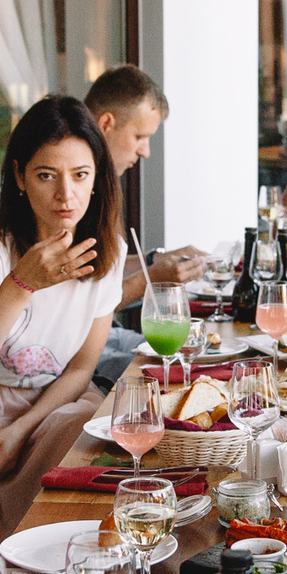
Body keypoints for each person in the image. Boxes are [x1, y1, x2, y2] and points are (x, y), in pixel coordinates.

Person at [0, 95, 125, 548]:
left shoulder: (109, 251)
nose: (65, 195)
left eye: (80, 175)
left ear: (98, 180)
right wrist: (20, 284)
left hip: (50, 405)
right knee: (87, 432)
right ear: (18, 177)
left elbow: (79, 370)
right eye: (46, 175)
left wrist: (23, 428)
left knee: (98, 427)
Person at [82, 65, 205, 382]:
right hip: (78, 354)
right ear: (106, 124)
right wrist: (152, 278)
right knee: (178, 376)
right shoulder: (76, 195)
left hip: (110, 335)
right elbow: (77, 305)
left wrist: (155, 259)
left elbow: (100, 268)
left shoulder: (104, 183)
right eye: (140, 136)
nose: (145, 151)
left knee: (197, 355)